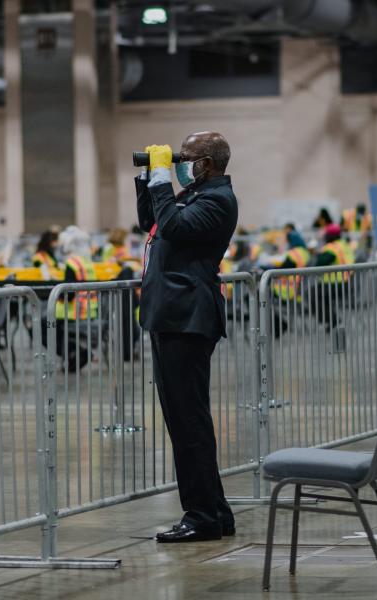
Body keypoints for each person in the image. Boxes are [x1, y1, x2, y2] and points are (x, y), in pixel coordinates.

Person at [138, 131, 238, 543]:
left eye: (187, 157)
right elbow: (153, 222)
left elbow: (176, 229)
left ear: (208, 163)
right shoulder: (195, 194)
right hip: (172, 316)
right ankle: (215, 510)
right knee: (186, 421)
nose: (181, 162)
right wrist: (148, 177)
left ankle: (201, 517)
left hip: (186, 319)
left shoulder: (216, 199)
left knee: (188, 422)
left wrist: (164, 178)